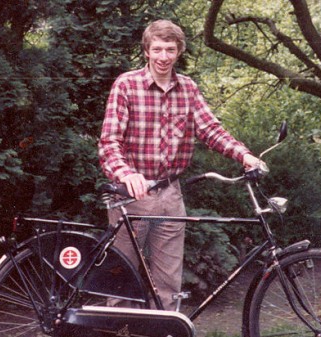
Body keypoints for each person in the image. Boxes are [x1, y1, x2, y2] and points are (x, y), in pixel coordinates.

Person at [98, 20, 260, 310]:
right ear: (147, 51)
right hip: (132, 195)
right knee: (122, 276)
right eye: (157, 49)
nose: (163, 57)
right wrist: (125, 174)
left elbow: (210, 129)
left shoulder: (188, 88)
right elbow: (109, 141)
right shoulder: (126, 84)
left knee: (169, 282)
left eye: (170, 49)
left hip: (171, 195)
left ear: (179, 51)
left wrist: (244, 155)